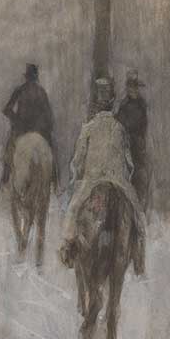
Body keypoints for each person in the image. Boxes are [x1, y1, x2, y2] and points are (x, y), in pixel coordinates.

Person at [63, 75, 146, 277]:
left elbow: (76, 162)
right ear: (111, 103)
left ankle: (68, 247)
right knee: (137, 214)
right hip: (118, 182)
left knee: (73, 210)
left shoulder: (88, 129)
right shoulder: (120, 129)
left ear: (97, 104)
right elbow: (129, 163)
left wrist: (75, 177)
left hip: (91, 182)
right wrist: (125, 177)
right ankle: (138, 255)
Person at [0, 63, 56, 186]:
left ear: (27, 77)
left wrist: (17, 121)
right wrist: (45, 126)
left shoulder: (19, 90)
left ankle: (5, 180)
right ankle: (53, 181)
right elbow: (49, 115)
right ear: (36, 77)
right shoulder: (42, 92)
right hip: (39, 131)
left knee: (9, 154)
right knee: (51, 151)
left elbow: (6, 109)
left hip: (21, 130)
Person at [116, 73, 150, 209]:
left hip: (136, 144)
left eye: (135, 88)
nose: (132, 90)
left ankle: (139, 204)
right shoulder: (123, 105)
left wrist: (129, 130)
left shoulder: (142, 105)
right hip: (125, 141)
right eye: (130, 87)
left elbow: (140, 124)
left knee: (140, 172)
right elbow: (118, 121)